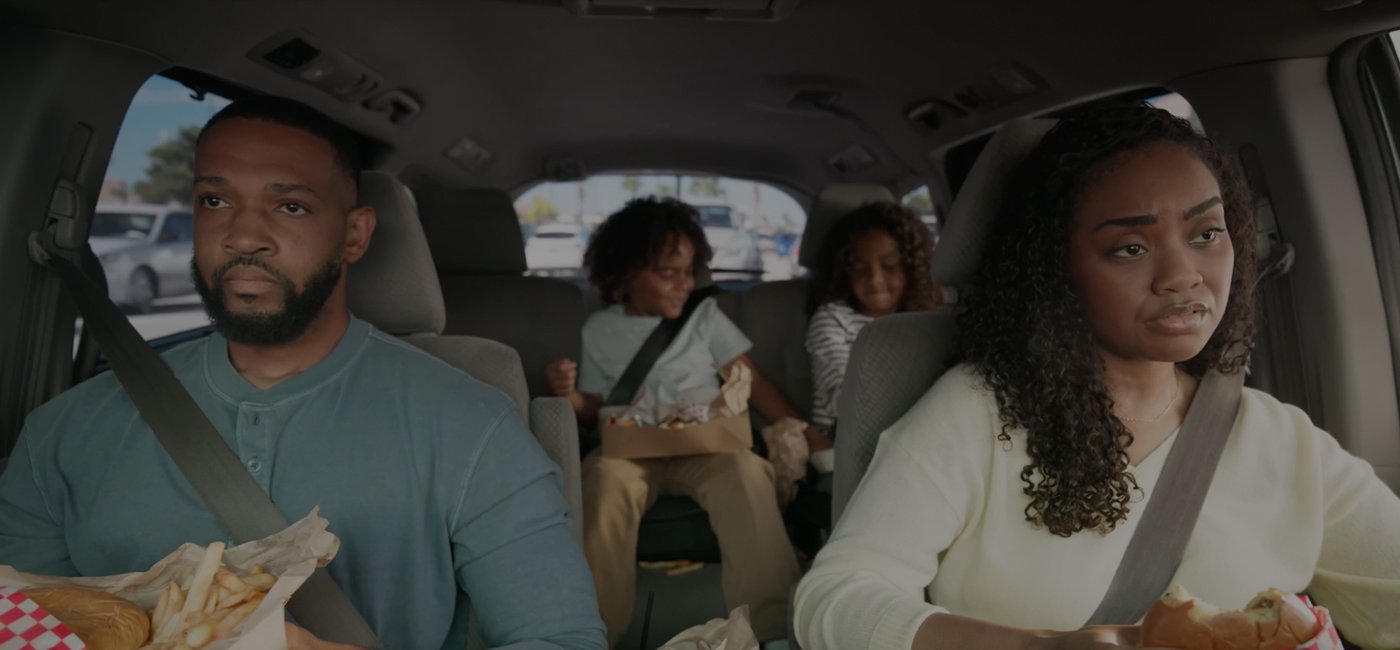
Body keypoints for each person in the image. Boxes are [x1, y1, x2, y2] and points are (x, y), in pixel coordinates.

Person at [0, 96, 606, 650]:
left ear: (355, 234)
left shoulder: (471, 426)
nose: (242, 235)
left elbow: (559, 639)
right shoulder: (63, 435)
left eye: (289, 205)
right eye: (216, 200)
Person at [793, 104, 1400, 649]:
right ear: (1058, 271)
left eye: (1206, 234)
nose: (1183, 276)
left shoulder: (1284, 441)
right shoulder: (974, 417)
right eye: (1130, 248)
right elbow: (836, 598)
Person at [545, 197, 809, 646]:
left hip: (705, 447)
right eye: (668, 273)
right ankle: (591, 633)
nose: (683, 284)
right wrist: (567, 395)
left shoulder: (703, 317)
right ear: (626, 275)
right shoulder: (600, 329)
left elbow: (752, 379)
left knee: (747, 474)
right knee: (604, 482)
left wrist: (806, 429)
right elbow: (594, 406)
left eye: (689, 272)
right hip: (632, 451)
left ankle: (773, 631)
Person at [806, 201, 938, 440]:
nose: (875, 280)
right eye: (859, 268)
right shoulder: (832, 319)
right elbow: (841, 402)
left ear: (911, 268)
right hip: (843, 446)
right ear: (844, 271)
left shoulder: (925, 320)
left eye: (889, 266)